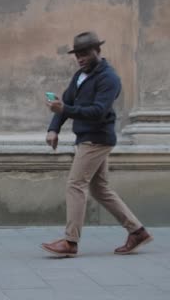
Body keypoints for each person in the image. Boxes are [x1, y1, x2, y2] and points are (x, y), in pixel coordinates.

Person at [41, 31, 153, 257]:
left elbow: (98, 112)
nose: (81, 58)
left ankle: (70, 242)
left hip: (97, 139)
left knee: (75, 184)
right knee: (100, 189)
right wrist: (54, 127)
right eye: (77, 55)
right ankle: (137, 231)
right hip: (87, 137)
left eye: (85, 54)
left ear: (98, 51)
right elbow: (66, 101)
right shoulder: (80, 75)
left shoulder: (109, 78)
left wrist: (65, 110)